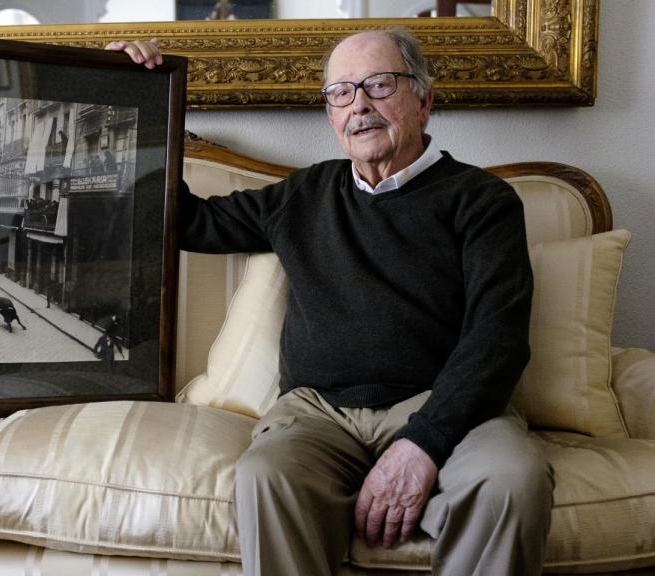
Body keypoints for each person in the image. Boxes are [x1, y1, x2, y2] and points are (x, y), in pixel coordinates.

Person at [109, 30, 552, 576]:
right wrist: (137, 100)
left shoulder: (482, 201)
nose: (359, 105)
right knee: (265, 475)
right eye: (341, 92)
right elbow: (183, 222)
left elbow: (498, 339)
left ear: (424, 101)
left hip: (441, 403)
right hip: (317, 414)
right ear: (331, 115)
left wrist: (423, 443)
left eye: (379, 85)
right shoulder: (303, 195)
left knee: (512, 480)